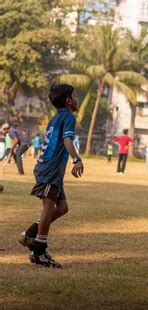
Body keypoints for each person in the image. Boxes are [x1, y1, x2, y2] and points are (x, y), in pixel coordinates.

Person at [18, 84, 84, 268]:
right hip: (50, 169)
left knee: (62, 207)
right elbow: (67, 140)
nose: (77, 99)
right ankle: (39, 251)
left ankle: (31, 233)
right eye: (75, 96)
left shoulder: (57, 118)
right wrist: (76, 159)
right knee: (48, 208)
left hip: (50, 169)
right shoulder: (68, 117)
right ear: (69, 100)